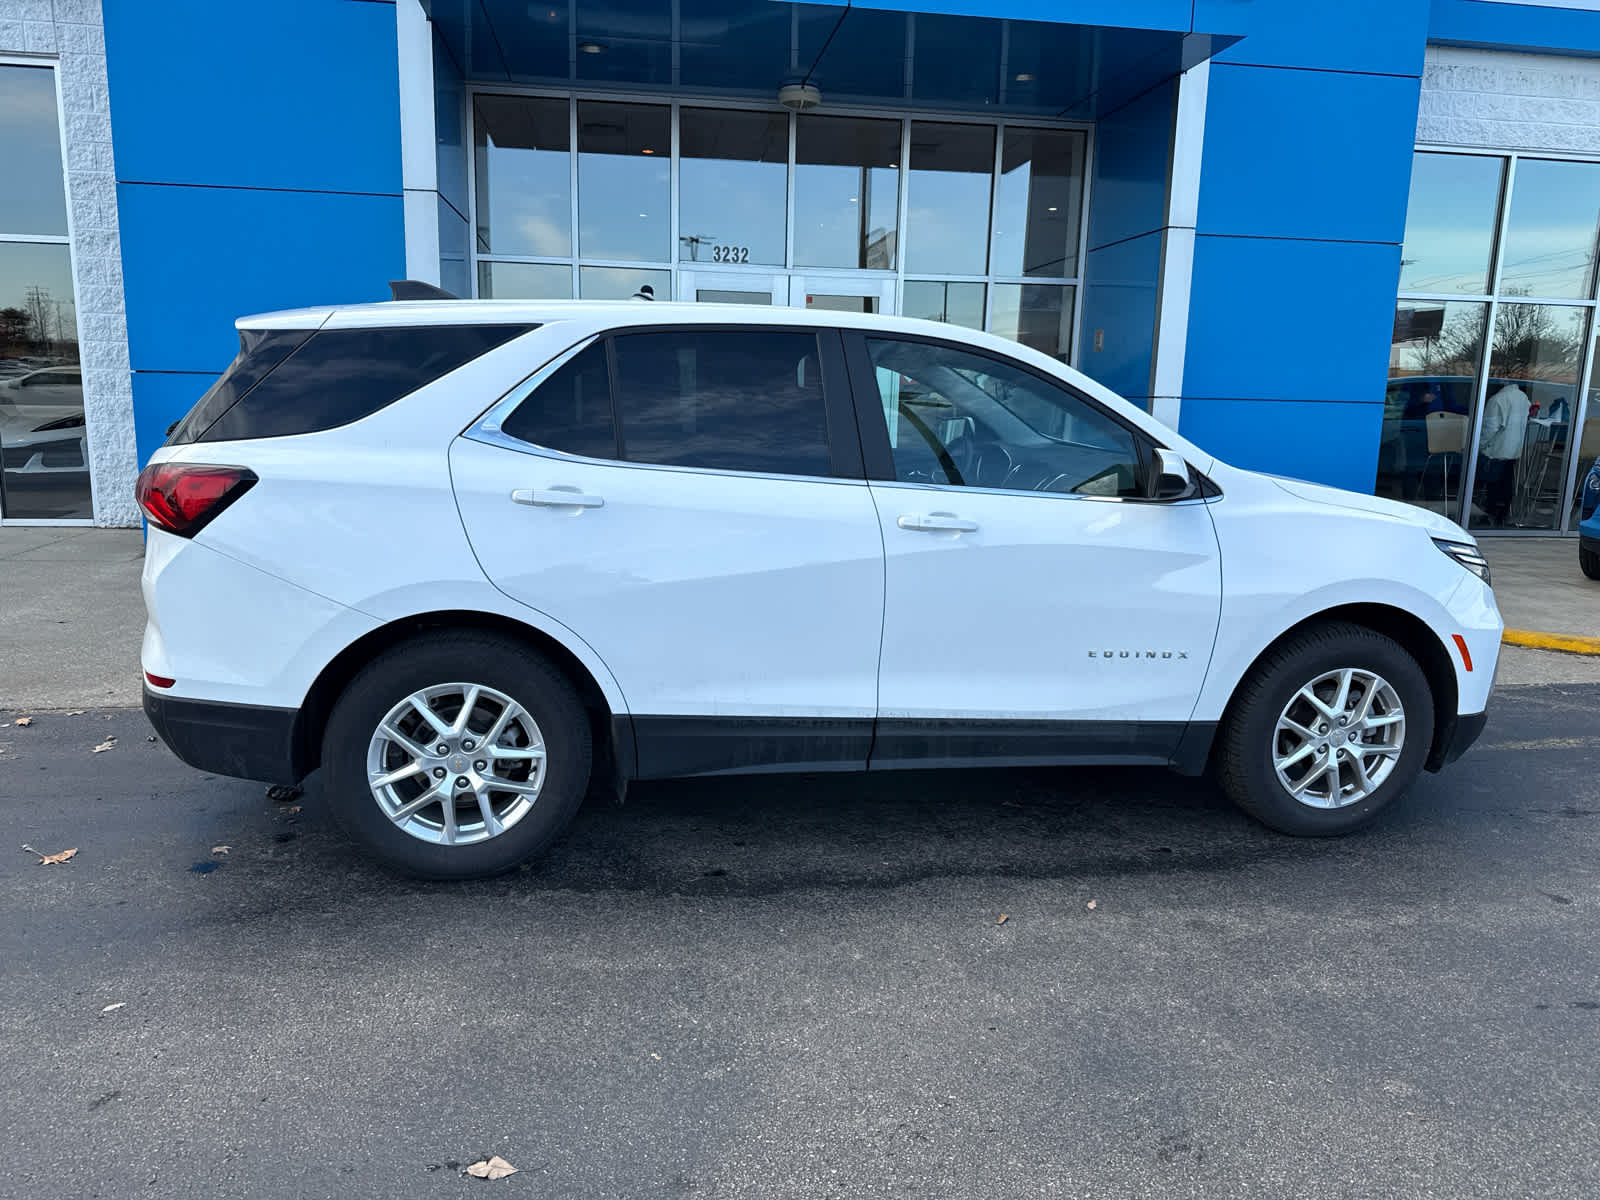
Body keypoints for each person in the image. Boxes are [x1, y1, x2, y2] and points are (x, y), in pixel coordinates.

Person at [1476, 381, 1528, 525]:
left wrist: (1477, 446)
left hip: (1496, 450)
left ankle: (1490, 514)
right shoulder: (1523, 397)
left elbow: (1489, 429)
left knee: (1493, 484)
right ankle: (1503, 514)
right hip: (1514, 449)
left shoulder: (1497, 400)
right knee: (1507, 482)